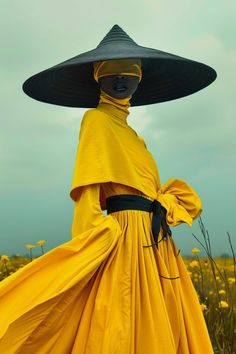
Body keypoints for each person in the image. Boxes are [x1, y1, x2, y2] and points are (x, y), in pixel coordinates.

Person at [0, 25, 216, 353]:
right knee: (120, 312)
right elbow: (88, 187)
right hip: (123, 235)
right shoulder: (95, 121)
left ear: (139, 80)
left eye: (128, 73)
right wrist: (91, 239)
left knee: (155, 316)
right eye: (111, 74)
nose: (120, 80)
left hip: (152, 239)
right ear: (98, 78)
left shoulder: (134, 136)